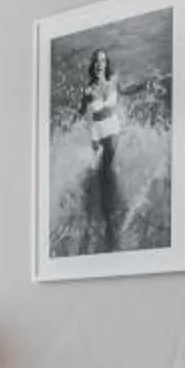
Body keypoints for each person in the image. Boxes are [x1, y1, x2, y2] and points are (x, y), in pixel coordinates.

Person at [81, 49, 126, 249]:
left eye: (103, 60)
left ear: (107, 63)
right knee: (97, 174)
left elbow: (125, 91)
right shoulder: (89, 89)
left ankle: (110, 220)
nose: (101, 64)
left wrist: (144, 86)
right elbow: (84, 113)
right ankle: (110, 210)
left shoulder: (114, 80)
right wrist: (92, 137)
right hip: (98, 133)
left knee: (106, 170)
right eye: (97, 61)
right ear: (93, 65)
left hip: (113, 129)